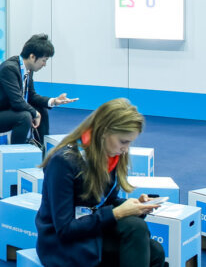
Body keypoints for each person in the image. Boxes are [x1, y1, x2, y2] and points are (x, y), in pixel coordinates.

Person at [35, 98, 165, 267]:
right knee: (136, 228)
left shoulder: (110, 155)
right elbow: (65, 229)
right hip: (63, 242)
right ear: (103, 132)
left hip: (90, 228)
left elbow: (104, 201)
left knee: (155, 250)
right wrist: (117, 213)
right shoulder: (63, 162)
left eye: (129, 142)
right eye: (123, 141)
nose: (126, 149)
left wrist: (135, 206)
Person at [0, 34, 78, 145]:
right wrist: (35, 114)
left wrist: (54, 101)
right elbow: (17, 102)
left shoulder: (28, 69)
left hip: (2, 109)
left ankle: (42, 149)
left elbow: (32, 96)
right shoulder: (9, 68)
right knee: (24, 117)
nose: (44, 64)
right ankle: (17, 153)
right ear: (32, 57)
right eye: (44, 60)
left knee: (40, 109)